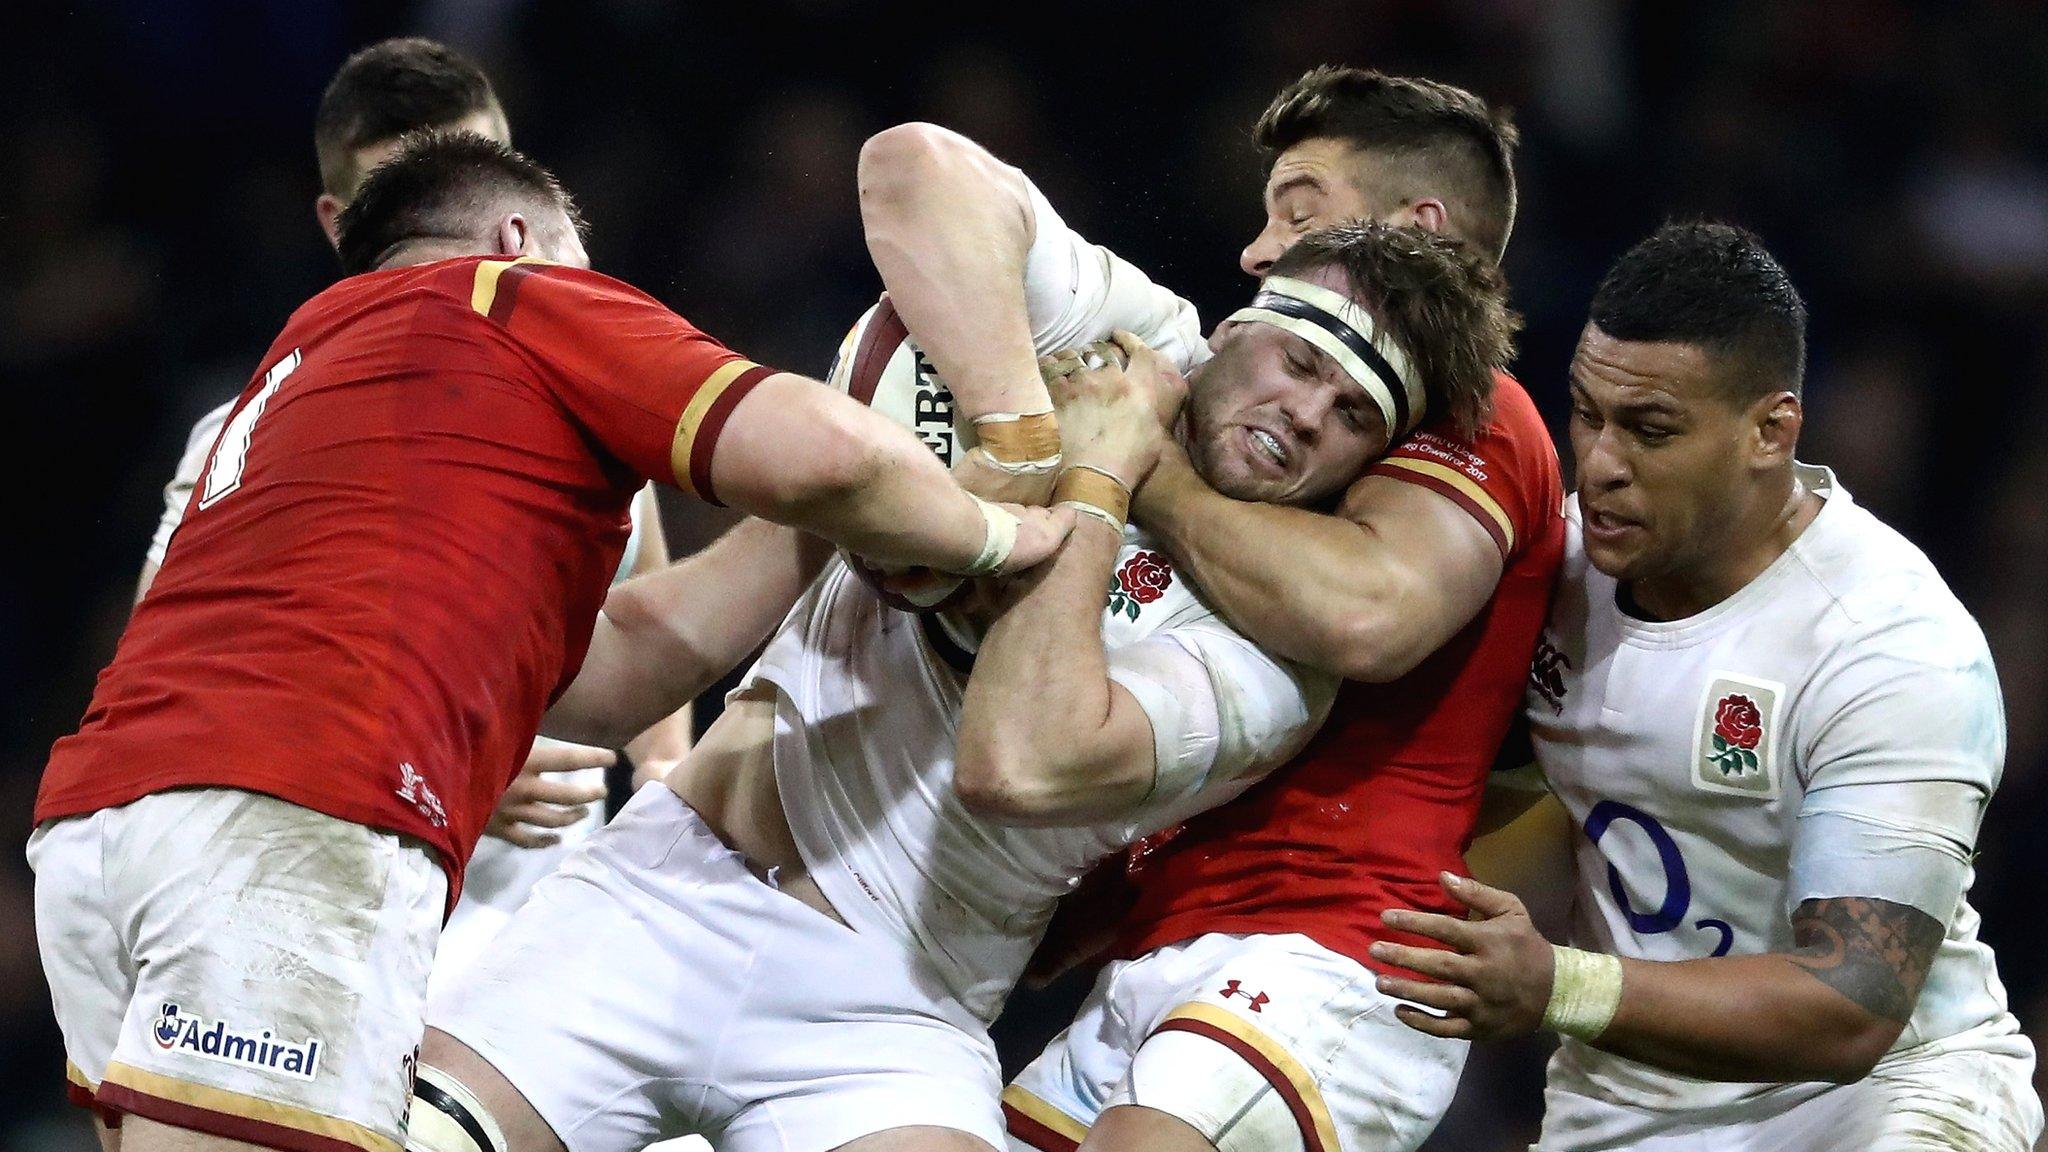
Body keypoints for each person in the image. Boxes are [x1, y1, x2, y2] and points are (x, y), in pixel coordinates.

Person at [404, 156, 1516, 1152]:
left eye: (1354, 414)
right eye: (1295, 360)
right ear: (1229, 335)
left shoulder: (1282, 670)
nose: (1305, 411)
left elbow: (1017, 764)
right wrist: (1017, 438)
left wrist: (1092, 481)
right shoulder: (1143, 338)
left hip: (892, 1011)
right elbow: (910, 170)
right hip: (659, 894)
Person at [30, 131, 1066, 1152]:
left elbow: (605, 679)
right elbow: (829, 456)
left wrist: (829, 530)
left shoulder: (302, 368)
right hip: (292, 818)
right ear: (521, 238)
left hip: (98, 832)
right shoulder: (507, 295)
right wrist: (1000, 529)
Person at [1374, 222, 2043, 1152]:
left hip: (1881, 1096)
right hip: (1627, 1100)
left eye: (1651, 430)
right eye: (1586, 414)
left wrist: (1556, 985)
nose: (1601, 462)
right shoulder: (1550, 574)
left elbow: (1852, 1006)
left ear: (1771, 431)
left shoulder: (1890, 647)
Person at [998, 67, 1565, 1152]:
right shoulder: (1248, 412)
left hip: (1334, 946)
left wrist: (1135, 466)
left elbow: (1367, 618)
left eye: (1298, 208)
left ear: (1417, 227)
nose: (1259, 250)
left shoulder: (1476, 416)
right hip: (1169, 942)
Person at [130, 36, 688, 992]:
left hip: (567, 945)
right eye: (414, 198)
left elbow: (646, 596)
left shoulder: (597, 390)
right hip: (352, 935)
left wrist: (669, 798)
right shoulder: (250, 431)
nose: (460, 232)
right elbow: (182, 682)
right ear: (339, 220)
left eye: (475, 181)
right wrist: (446, 759)